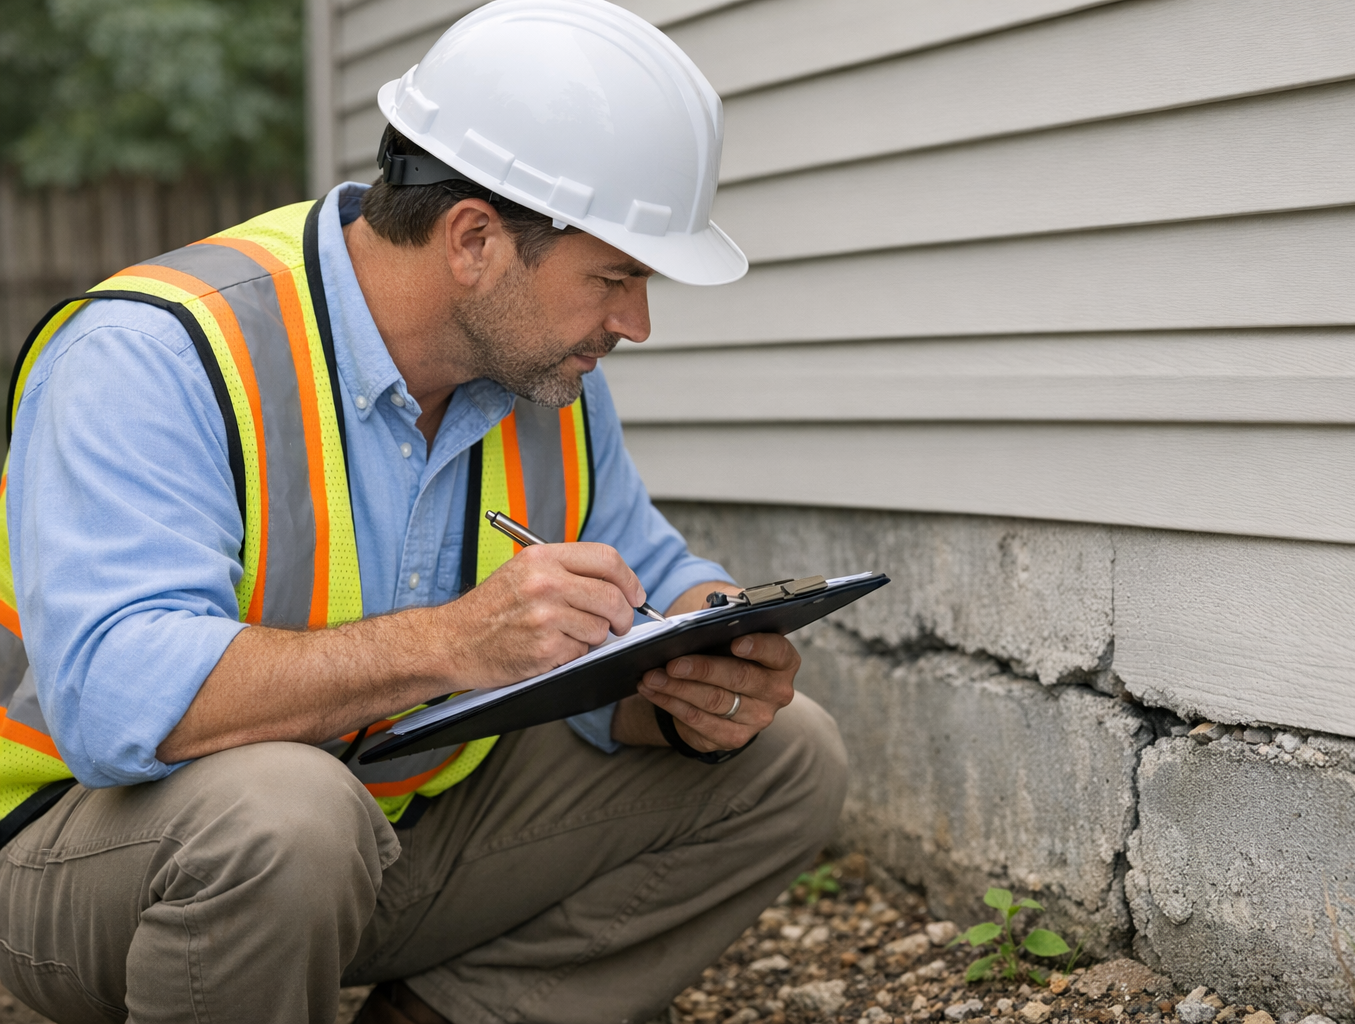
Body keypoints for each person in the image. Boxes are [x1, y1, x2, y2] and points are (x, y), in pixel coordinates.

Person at [0, 2, 847, 1022]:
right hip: (82, 856)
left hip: (379, 837)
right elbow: (113, 700)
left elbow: (649, 579)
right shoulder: (155, 354)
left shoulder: (545, 378)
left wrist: (700, 661)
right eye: (615, 276)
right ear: (475, 238)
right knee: (288, 815)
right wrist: (454, 643)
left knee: (788, 754)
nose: (636, 321)